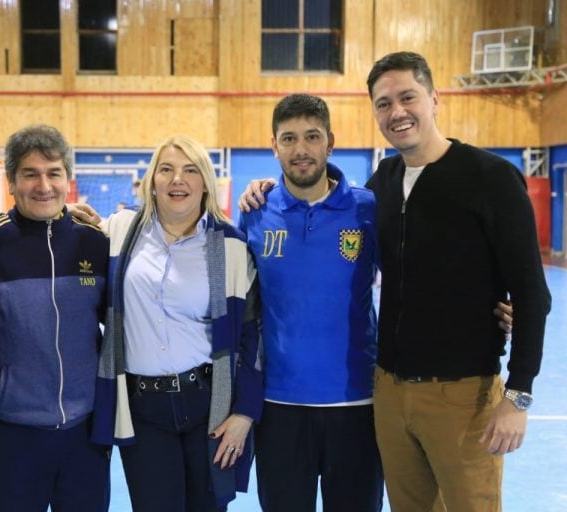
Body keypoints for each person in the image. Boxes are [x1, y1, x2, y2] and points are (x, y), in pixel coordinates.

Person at [363, 51, 551, 512]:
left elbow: (531, 294)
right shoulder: (381, 183)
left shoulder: (490, 179)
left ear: (434, 99)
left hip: (463, 395)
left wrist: (517, 396)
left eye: (408, 97)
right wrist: (265, 191)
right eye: (383, 104)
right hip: (389, 391)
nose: (397, 112)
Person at [91, 134, 263, 511]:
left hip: (208, 407)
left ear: (205, 183)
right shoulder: (119, 233)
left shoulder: (231, 245)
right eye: (166, 169)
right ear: (152, 180)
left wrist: (245, 412)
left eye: (190, 170)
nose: (177, 180)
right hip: (143, 410)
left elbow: (254, 336)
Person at [237, 94, 383, 511]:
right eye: (289, 138)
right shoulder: (255, 211)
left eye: (312, 137)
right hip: (280, 406)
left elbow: (417, 281)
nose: (301, 149)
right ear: (274, 146)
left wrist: (489, 305)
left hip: (356, 402)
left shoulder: (368, 209)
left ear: (330, 142)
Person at [0, 124, 110, 512]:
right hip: (11, 435)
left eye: (54, 173)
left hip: (84, 434)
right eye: (30, 174)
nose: (43, 185)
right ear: (12, 181)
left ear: (68, 180)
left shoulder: (94, 242)